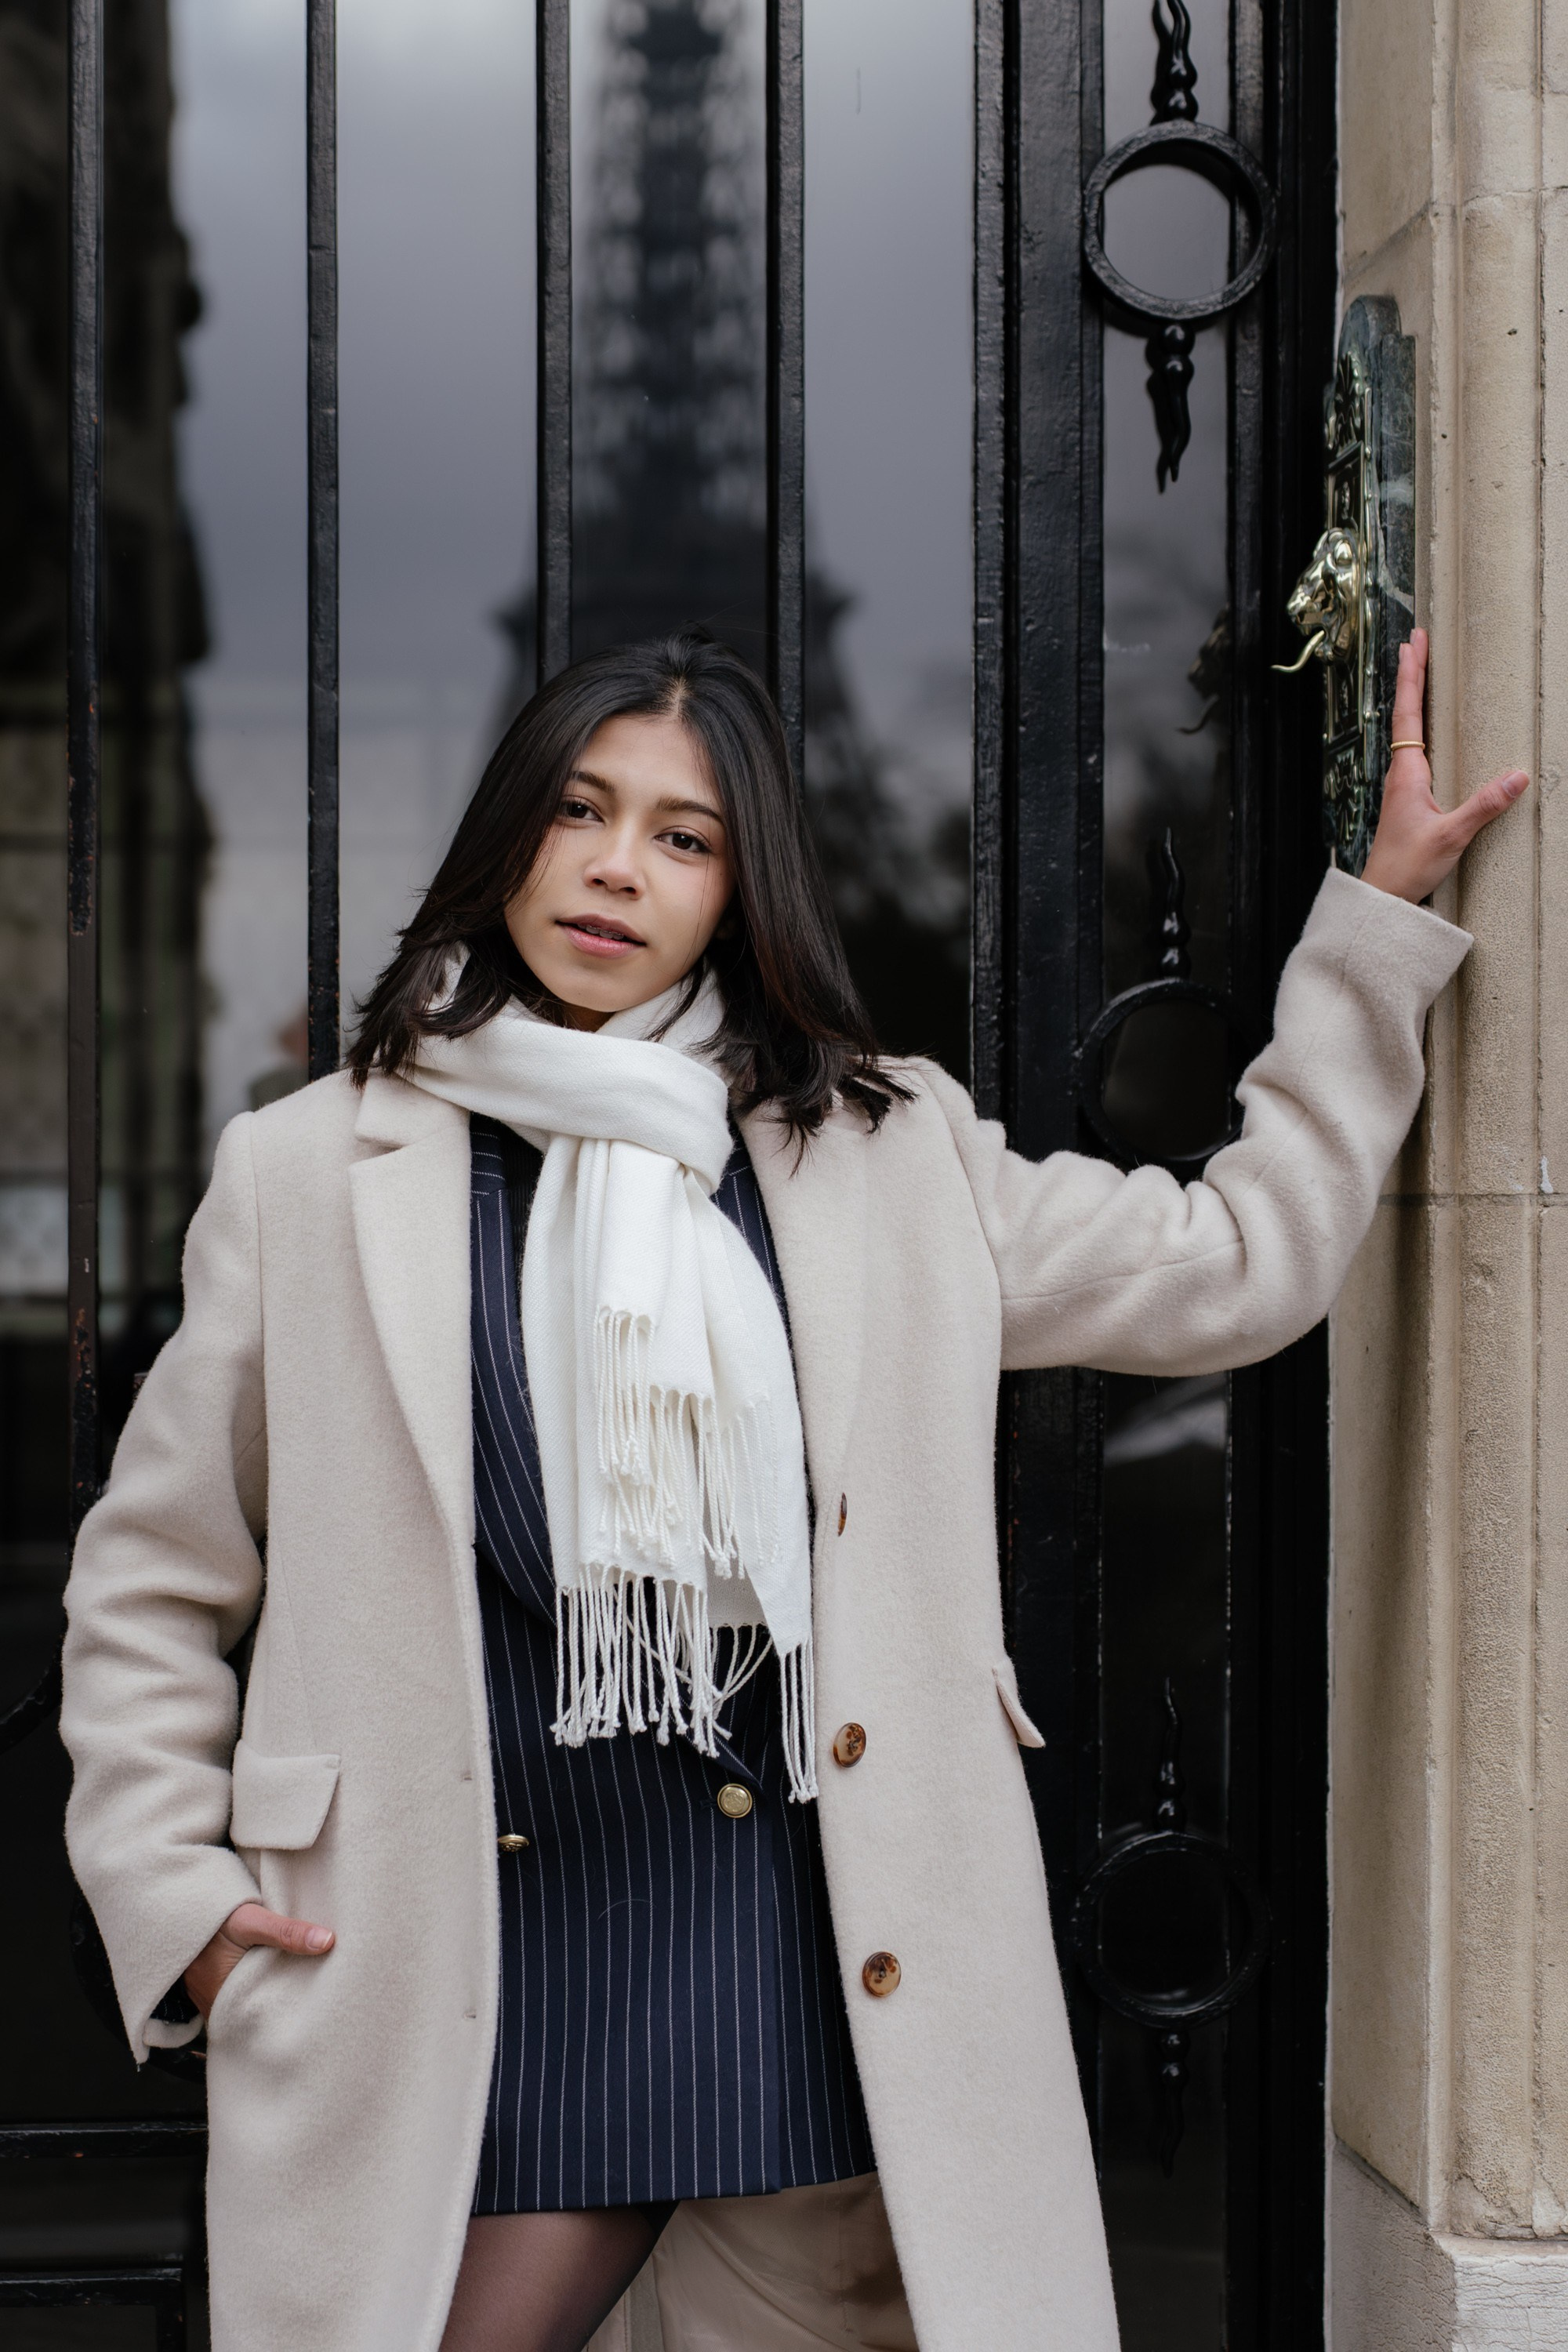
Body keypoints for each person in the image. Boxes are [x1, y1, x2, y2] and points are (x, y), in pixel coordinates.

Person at [60, 626, 1523, 2352]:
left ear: (742, 889)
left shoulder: (878, 1157)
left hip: (794, 1930)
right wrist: (176, 1900)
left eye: (685, 837)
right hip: (460, 1936)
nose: (617, 868)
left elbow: (1237, 1266)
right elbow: (154, 1575)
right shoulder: (313, 1173)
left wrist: (1370, 940)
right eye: (580, 812)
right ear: (508, 834)